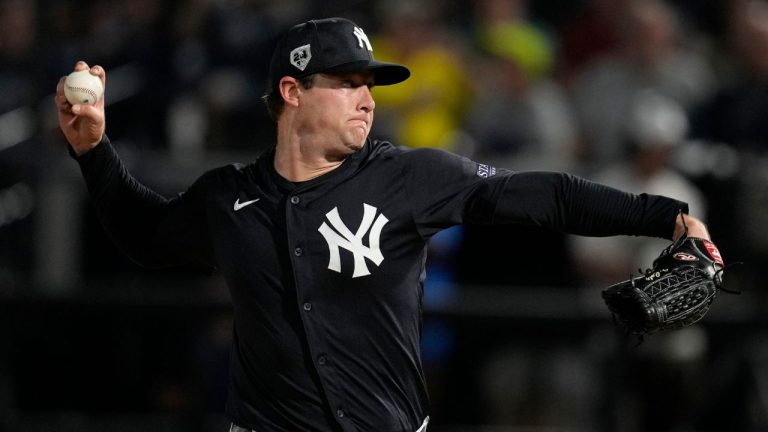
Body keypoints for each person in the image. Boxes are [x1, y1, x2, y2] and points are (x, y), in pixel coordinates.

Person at [56, 17, 714, 432]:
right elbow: (146, 236)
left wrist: (663, 215)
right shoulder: (229, 197)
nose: (368, 98)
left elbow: (542, 195)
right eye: (347, 82)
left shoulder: (409, 177)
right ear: (292, 92)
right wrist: (93, 151)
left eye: (371, 82)